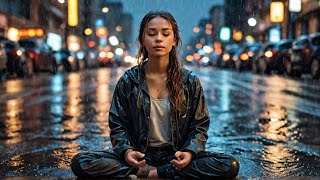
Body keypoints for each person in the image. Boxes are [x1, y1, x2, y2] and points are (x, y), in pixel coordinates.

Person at [70, 10, 239, 179]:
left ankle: (155, 173)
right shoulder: (129, 81)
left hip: (176, 155)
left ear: (174, 40)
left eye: (165, 34)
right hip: (141, 155)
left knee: (228, 165)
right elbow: (118, 124)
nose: (158, 39)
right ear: (142, 40)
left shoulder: (189, 81)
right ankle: (154, 172)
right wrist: (127, 151)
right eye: (151, 33)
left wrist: (189, 152)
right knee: (81, 161)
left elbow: (199, 126)